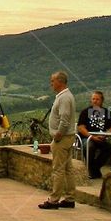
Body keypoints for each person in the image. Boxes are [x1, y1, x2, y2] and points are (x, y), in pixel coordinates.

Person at [38, 71, 76, 210]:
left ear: (60, 81)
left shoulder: (64, 97)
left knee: (58, 169)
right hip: (68, 137)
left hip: (62, 138)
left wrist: (58, 135)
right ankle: (70, 198)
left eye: (53, 81)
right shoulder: (66, 96)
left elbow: (64, 119)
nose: (51, 83)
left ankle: (54, 200)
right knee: (68, 169)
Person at [76, 90, 111, 179]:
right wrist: (92, 137)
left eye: (97, 99)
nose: (95, 101)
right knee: (89, 145)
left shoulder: (106, 112)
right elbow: (81, 128)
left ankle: (94, 168)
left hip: (100, 138)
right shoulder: (85, 112)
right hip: (86, 138)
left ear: (102, 101)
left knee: (110, 147)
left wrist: (105, 135)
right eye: (93, 99)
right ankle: (93, 170)